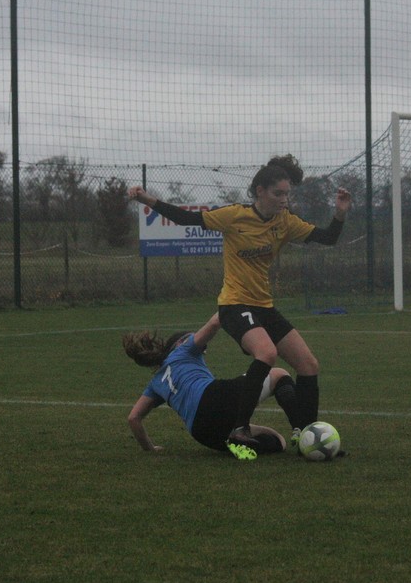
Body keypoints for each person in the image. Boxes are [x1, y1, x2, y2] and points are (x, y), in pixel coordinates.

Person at [128, 154, 352, 443]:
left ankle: (307, 436)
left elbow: (329, 237)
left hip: (264, 307)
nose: (284, 200)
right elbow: (187, 218)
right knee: (266, 354)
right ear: (260, 191)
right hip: (234, 305)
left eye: (287, 194)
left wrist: (340, 213)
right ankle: (239, 428)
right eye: (278, 194)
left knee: (309, 365)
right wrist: (147, 199)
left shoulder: (285, 222)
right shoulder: (234, 216)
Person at [124, 313, 303, 461]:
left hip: (202, 433)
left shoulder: (155, 383)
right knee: (279, 374)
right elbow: (216, 321)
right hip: (213, 397)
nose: (204, 349)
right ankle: (301, 428)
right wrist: (235, 305)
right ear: (180, 343)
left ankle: (238, 439)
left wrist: (150, 448)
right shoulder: (183, 350)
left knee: (278, 440)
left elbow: (134, 418)